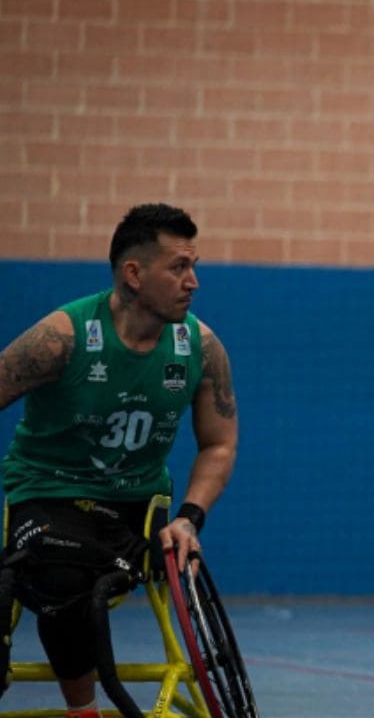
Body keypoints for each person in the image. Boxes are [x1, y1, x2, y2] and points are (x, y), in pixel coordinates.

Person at [0, 203, 238, 718]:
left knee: (85, 575)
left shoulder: (200, 346)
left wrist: (188, 518)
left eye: (194, 266)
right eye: (179, 267)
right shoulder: (62, 337)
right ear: (134, 273)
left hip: (135, 510)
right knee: (63, 579)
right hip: (48, 497)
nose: (193, 281)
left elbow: (219, 443)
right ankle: (83, 711)